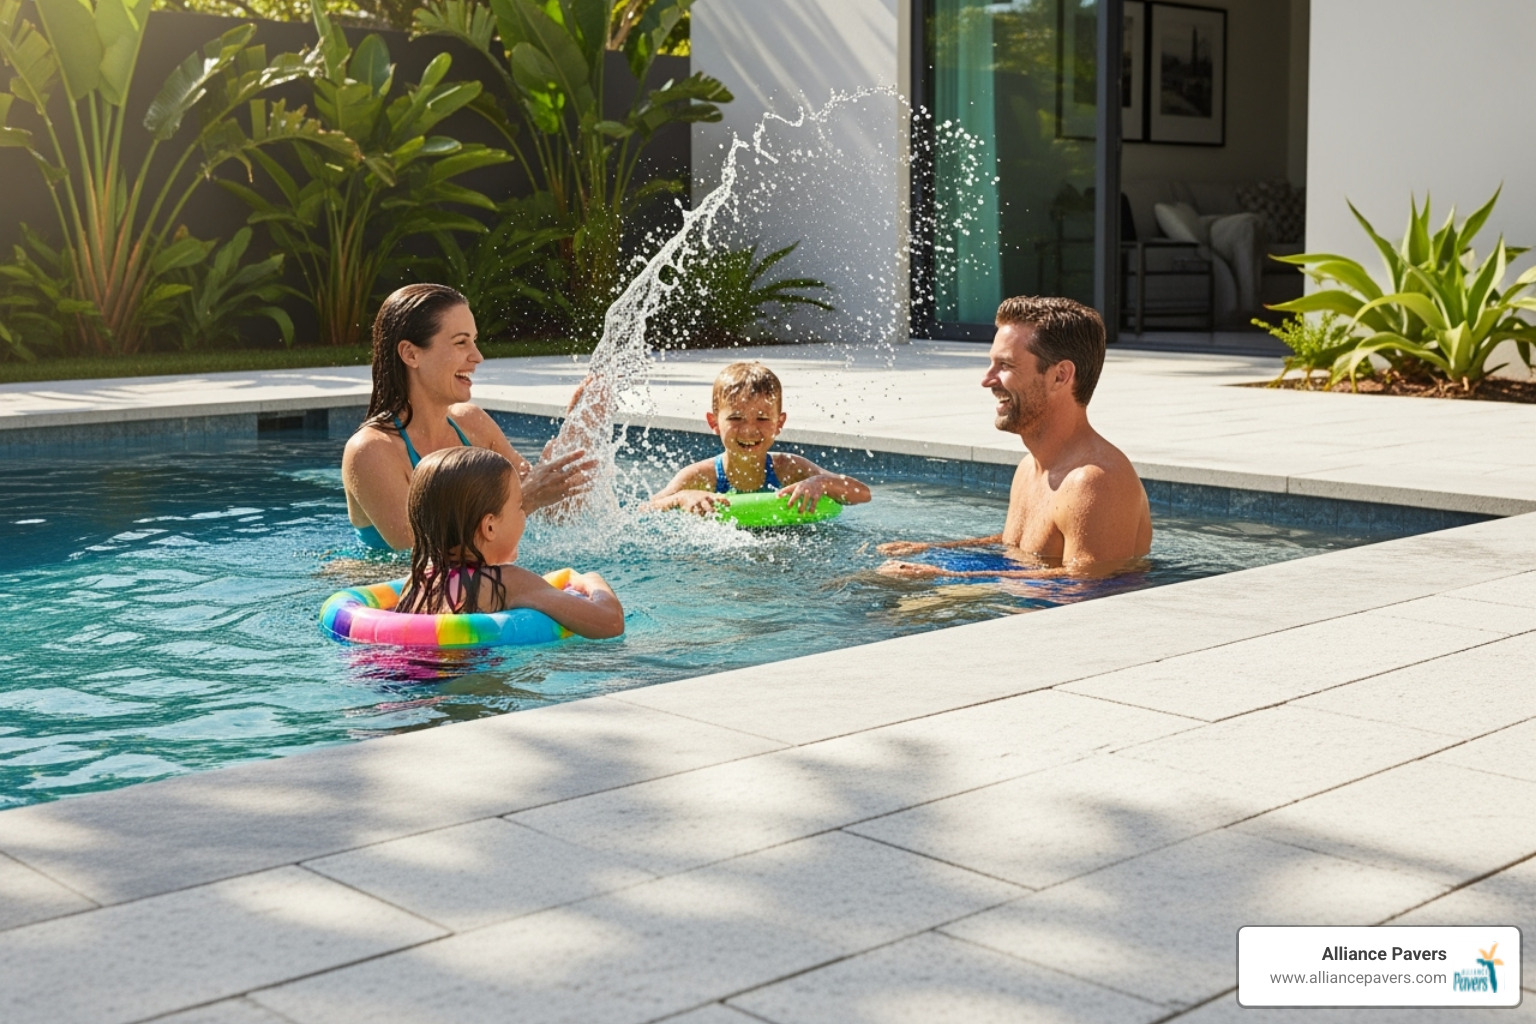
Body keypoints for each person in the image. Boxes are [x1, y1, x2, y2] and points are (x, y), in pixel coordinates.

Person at [879, 296, 1151, 578]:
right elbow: (1022, 544)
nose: (987, 380)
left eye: (1005, 366)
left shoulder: (1094, 481)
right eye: (992, 364)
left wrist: (948, 577)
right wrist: (934, 548)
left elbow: (1088, 583)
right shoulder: (1028, 467)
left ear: (1060, 376)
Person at [343, 284, 597, 551]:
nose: (477, 357)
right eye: (461, 342)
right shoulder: (371, 450)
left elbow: (554, 515)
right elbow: (419, 553)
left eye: (474, 341)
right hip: (390, 586)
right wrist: (529, 498)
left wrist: (580, 433)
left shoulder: (472, 424)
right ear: (411, 354)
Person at [396, 446, 625, 639]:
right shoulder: (507, 581)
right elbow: (610, 623)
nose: (524, 515)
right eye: (519, 507)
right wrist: (592, 580)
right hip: (466, 685)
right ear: (490, 528)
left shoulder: (418, 581)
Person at [645, 361, 872, 515]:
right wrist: (682, 497)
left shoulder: (789, 469)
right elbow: (646, 508)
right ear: (714, 423)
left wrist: (821, 483)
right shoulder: (701, 476)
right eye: (736, 418)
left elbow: (862, 494)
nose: (749, 430)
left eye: (762, 419)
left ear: (779, 423)